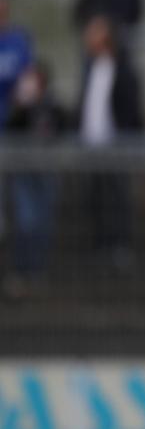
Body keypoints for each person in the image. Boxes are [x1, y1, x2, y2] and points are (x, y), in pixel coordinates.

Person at [76, 15, 145, 270]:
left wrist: (124, 136)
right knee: (95, 197)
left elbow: (130, 109)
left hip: (116, 145)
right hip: (93, 146)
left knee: (118, 197)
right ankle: (100, 245)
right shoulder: (90, 69)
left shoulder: (123, 70)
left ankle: (119, 246)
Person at [1, 62, 68, 299]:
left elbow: (63, 126)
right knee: (25, 221)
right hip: (24, 172)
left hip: (45, 171)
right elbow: (11, 128)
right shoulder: (19, 107)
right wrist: (21, 106)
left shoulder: (53, 106)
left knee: (42, 222)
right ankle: (22, 270)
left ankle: (37, 270)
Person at [0, 0, 34, 242]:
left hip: (14, 131)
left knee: (23, 199)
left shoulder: (19, 41)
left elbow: (29, 82)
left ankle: (27, 261)